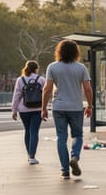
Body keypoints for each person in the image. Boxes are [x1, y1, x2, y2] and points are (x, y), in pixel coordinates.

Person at [40, 39, 93, 180]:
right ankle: (74, 157)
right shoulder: (81, 68)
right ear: (76, 52)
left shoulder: (52, 67)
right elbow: (87, 88)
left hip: (59, 107)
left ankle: (64, 170)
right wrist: (90, 105)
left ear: (59, 51)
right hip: (76, 107)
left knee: (61, 138)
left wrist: (43, 108)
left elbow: (47, 89)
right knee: (77, 135)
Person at [11, 60, 45, 164]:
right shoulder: (41, 79)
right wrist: (45, 108)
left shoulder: (20, 80)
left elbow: (17, 95)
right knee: (34, 132)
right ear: (36, 69)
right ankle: (32, 156)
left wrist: (14, 110)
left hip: (24, 110)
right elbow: (46, 94)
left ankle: (29, 155)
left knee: (27, 131)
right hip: (37, 109)